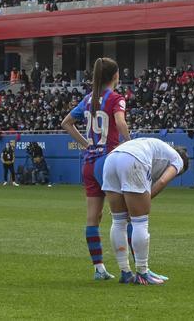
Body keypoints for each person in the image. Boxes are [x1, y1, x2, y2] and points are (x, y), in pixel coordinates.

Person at [60, 57, 129, 281]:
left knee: (93, 218)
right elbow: (119, 122)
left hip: (89, 162)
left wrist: (85, 143)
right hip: (108, 160)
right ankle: (135, 268)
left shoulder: (89, 98)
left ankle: (99, 268)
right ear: (115, 76)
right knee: (123, 217)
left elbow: (66, 122)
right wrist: (130, 143)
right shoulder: (116, 98)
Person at [101, 137, 188, 285]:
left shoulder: (157, 149)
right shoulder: (177, 160)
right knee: (140, 221)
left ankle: (125, 272)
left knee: (118, 221)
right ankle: (142, 272)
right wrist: (144, 201)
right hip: (133, 160)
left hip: (111, 159)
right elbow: (162, 181)